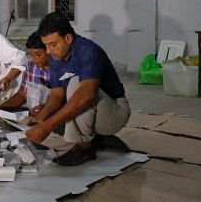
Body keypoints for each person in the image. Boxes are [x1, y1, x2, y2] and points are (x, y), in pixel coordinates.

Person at [25, 12, 131, 166]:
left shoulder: (89, 51)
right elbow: (57, 92)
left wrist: (48, 126)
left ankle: (84, 148)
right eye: (46, 45)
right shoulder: (56, 57)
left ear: (68, 38)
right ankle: (98, 139)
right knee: (43, 128)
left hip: (115, 112)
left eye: (53, 44)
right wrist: (42, 117)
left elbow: (86, 94)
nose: (48, 51)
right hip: (93, 112)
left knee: (76, 84)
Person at [0, 31, 52, 115]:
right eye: (31, 55)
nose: (34, 59)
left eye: (38, 54)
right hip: (34, 115)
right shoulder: (30, 66)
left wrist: (46, 108)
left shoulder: (60, 69)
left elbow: (62, 98)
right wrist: (1, 109)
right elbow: (22, 94)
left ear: (49, 50)